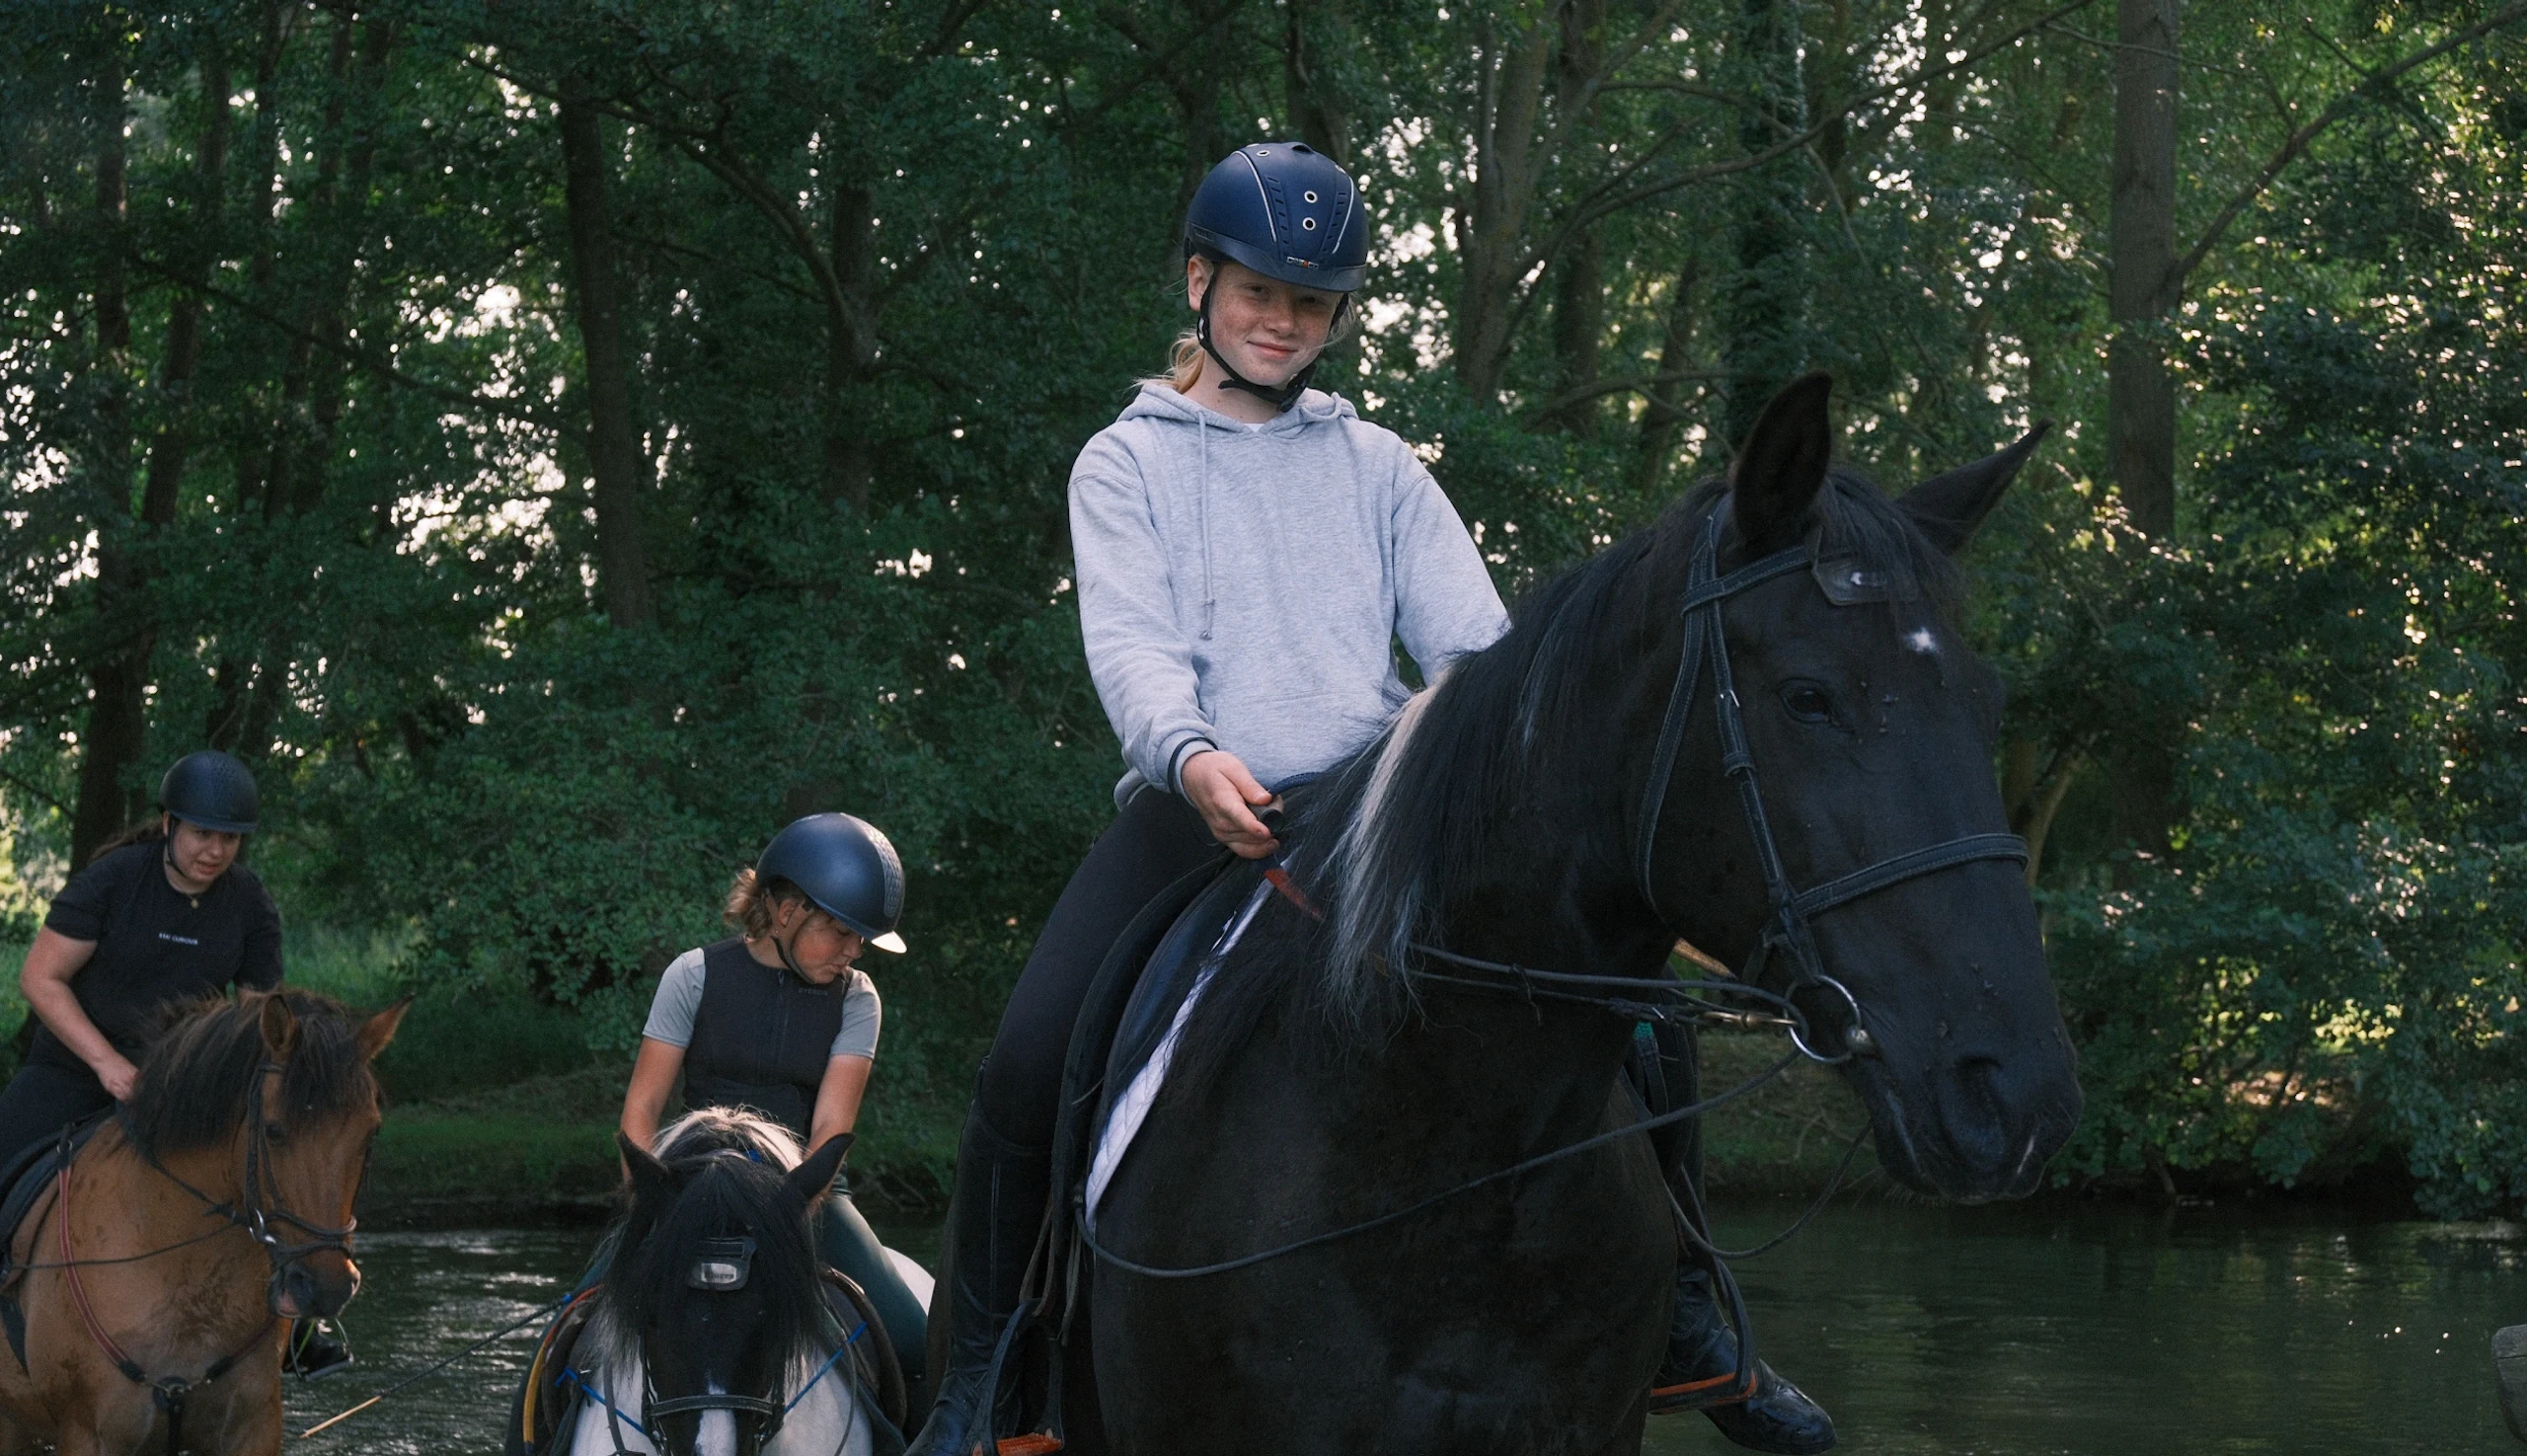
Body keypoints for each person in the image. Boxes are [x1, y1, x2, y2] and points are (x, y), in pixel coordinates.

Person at [908, 140, 1835, 1456]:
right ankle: (984, 1374)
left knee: (1642, 1009)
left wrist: (1475, 762)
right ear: (1198, 281)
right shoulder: (1126, 462)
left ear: (1338, 316)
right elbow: (1132, 645)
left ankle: (1690, 1310)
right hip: (1203, 803)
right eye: (1258, 293)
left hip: (1389, 812)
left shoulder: (1381, 465)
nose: (1282, 322)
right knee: (1026, 1056)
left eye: (1310, 302)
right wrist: (1184, 750)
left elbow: (1479, 648)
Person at [0, 750, 349, 1378]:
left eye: (230, 839)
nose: (214, 851)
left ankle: (299, 1326)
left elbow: (259, 1025)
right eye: (202, 834)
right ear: (169, 825)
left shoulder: (249, 903)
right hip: (73, 1069)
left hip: (182, 1088)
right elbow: (40, 977)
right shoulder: (115, 879)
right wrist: (107, 1065)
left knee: (271, 1171)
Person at [617, 811, 928, 1403]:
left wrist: (789, 1213)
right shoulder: (694, 975)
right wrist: (650, 1201)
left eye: (861, 938)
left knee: (916, 1341)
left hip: (803, 1195)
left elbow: (833, 1129)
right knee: (573, 1329)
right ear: (787, 913)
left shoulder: (858, 998)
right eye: (841, 931)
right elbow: (642, 1109)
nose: (853, 950)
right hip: (687, 1188)